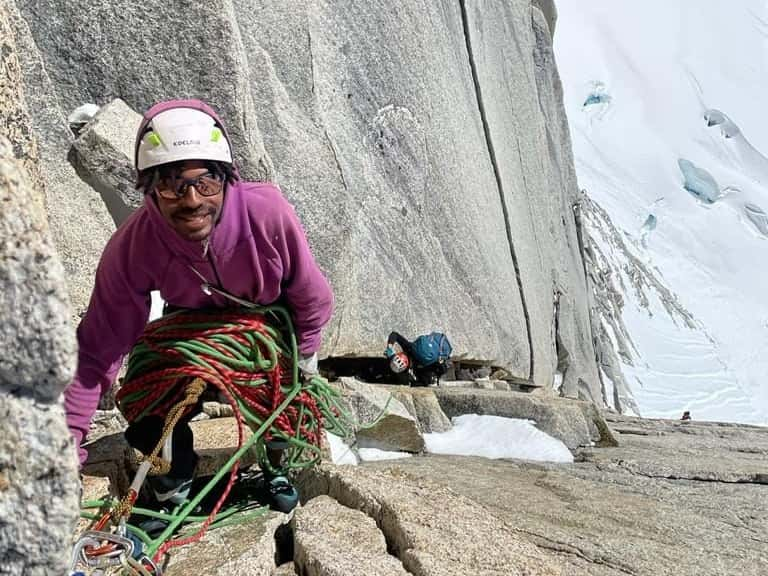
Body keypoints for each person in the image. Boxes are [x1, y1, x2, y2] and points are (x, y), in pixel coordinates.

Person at [64, 99, 333, 515]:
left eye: (205, 182)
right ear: (149, 188)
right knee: (149, 384)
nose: (191, 200)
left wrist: (307, 355)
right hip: (187, 325)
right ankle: (172, 483)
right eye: (172, 184)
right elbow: (100, 345)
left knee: (283, 388)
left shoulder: (266, 213)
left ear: (226, 178)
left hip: (266, 322)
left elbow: (310, 292)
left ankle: (276, 462)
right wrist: (65, 442)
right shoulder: (134, 246)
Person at [385, 331, 452, 386]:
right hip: (436, 358)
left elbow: (424, 381)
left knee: (425, 381)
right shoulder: (409, 348)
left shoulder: (419, 366)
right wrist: (389, 347)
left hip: (432, 366)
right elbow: (394, 334)